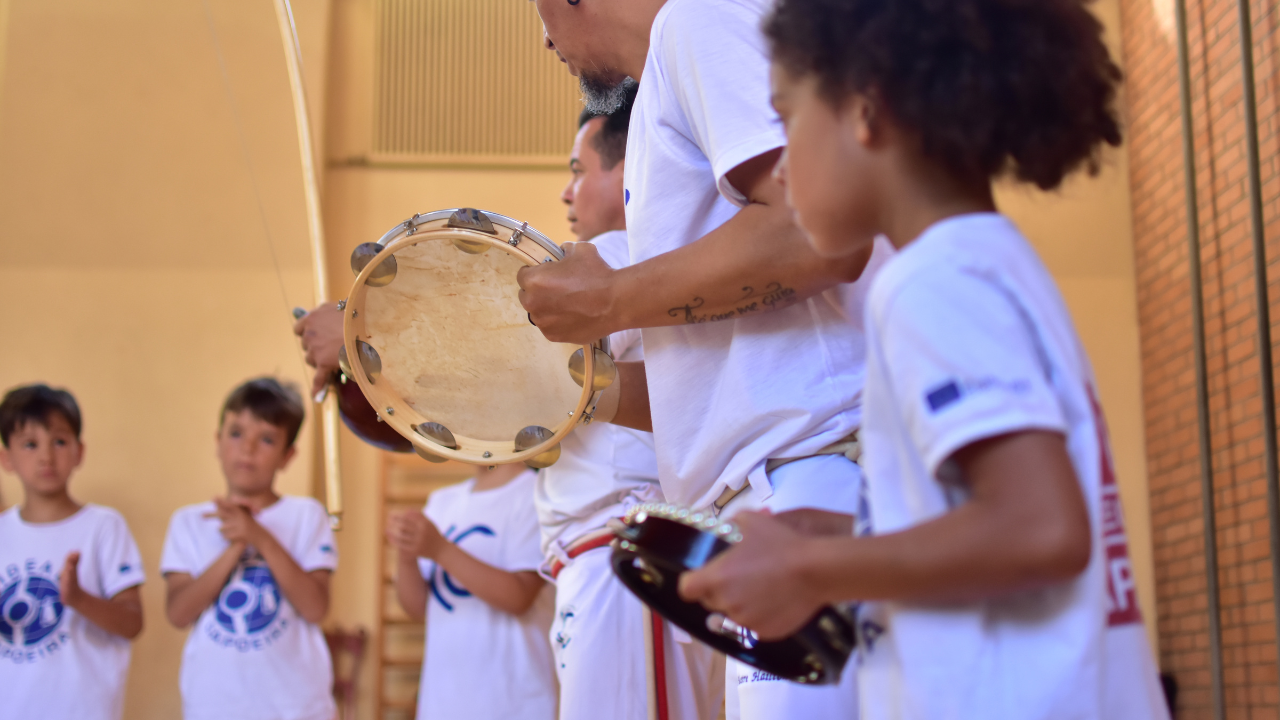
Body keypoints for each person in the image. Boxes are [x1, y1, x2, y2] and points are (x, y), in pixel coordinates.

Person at [679, 1, 1171, 718]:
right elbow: (1003, 521)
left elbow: (1040, 528)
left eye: (786, 122)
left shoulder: (935, 284)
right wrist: (852, 538)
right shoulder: (988, 264)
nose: (780, 172)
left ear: (867, 112)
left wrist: (810, 566)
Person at [523, 0, 886, 716]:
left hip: (808, 479)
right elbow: (720, 367)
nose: (542, 38)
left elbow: (820, 234)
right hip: (775, 496)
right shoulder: (674, 60)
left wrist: (613, 299)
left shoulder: (696, 19)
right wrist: (569, 391)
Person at [543, 89, 721, 720]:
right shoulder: (623, 265)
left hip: (625, 550)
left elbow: (499, 351)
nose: (566, 192)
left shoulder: (622, 258)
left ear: (625, 169)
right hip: (594, 559)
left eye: (576, 169)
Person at [160, 378, 337, 720]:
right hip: (214, 705)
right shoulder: (188, 522)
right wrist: (236, 546)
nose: (248, 448)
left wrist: (260, 537)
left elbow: (315, 608)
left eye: (267, 439)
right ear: (217, 441)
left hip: (296, 706)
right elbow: (179, 614)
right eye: (236, 433)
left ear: (288, 456)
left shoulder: (306, 516)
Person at [0, 384, 145, 720]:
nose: (46, 457)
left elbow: (132, 622)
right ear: (7, 458)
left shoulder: (104, 526)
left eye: (60, 442)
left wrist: (78, 598)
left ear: (80, 452)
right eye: (30, 444)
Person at [388, 463, 557, 720]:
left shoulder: (535, 492)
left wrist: (439, 549)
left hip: (514, 703)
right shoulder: (442, 501)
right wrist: (406, 553)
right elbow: (417, 607)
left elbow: (519, 597)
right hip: (442, 702)